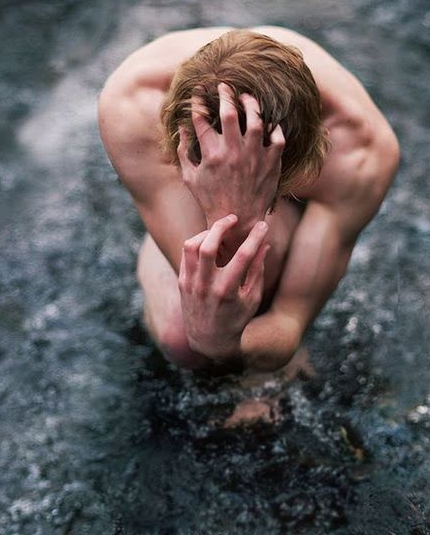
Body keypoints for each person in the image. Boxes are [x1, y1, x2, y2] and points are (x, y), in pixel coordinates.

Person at [98, 26, 399, 375]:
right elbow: (204, 308)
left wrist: (230, 347)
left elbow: (288, 320)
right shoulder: (133, 106)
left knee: (232, 343)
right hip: (168, 137)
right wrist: (233, 212)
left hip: (305, 184)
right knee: (180, 340)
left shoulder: (362, 154)